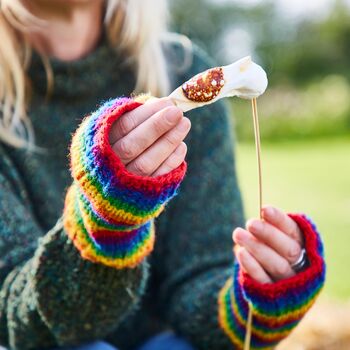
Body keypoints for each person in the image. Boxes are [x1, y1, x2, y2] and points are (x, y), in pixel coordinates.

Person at [0, 1, 326, 349]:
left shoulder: (182, 68)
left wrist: (256, 296)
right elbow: (14, 317)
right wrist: (105, 221)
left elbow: (200, 281)